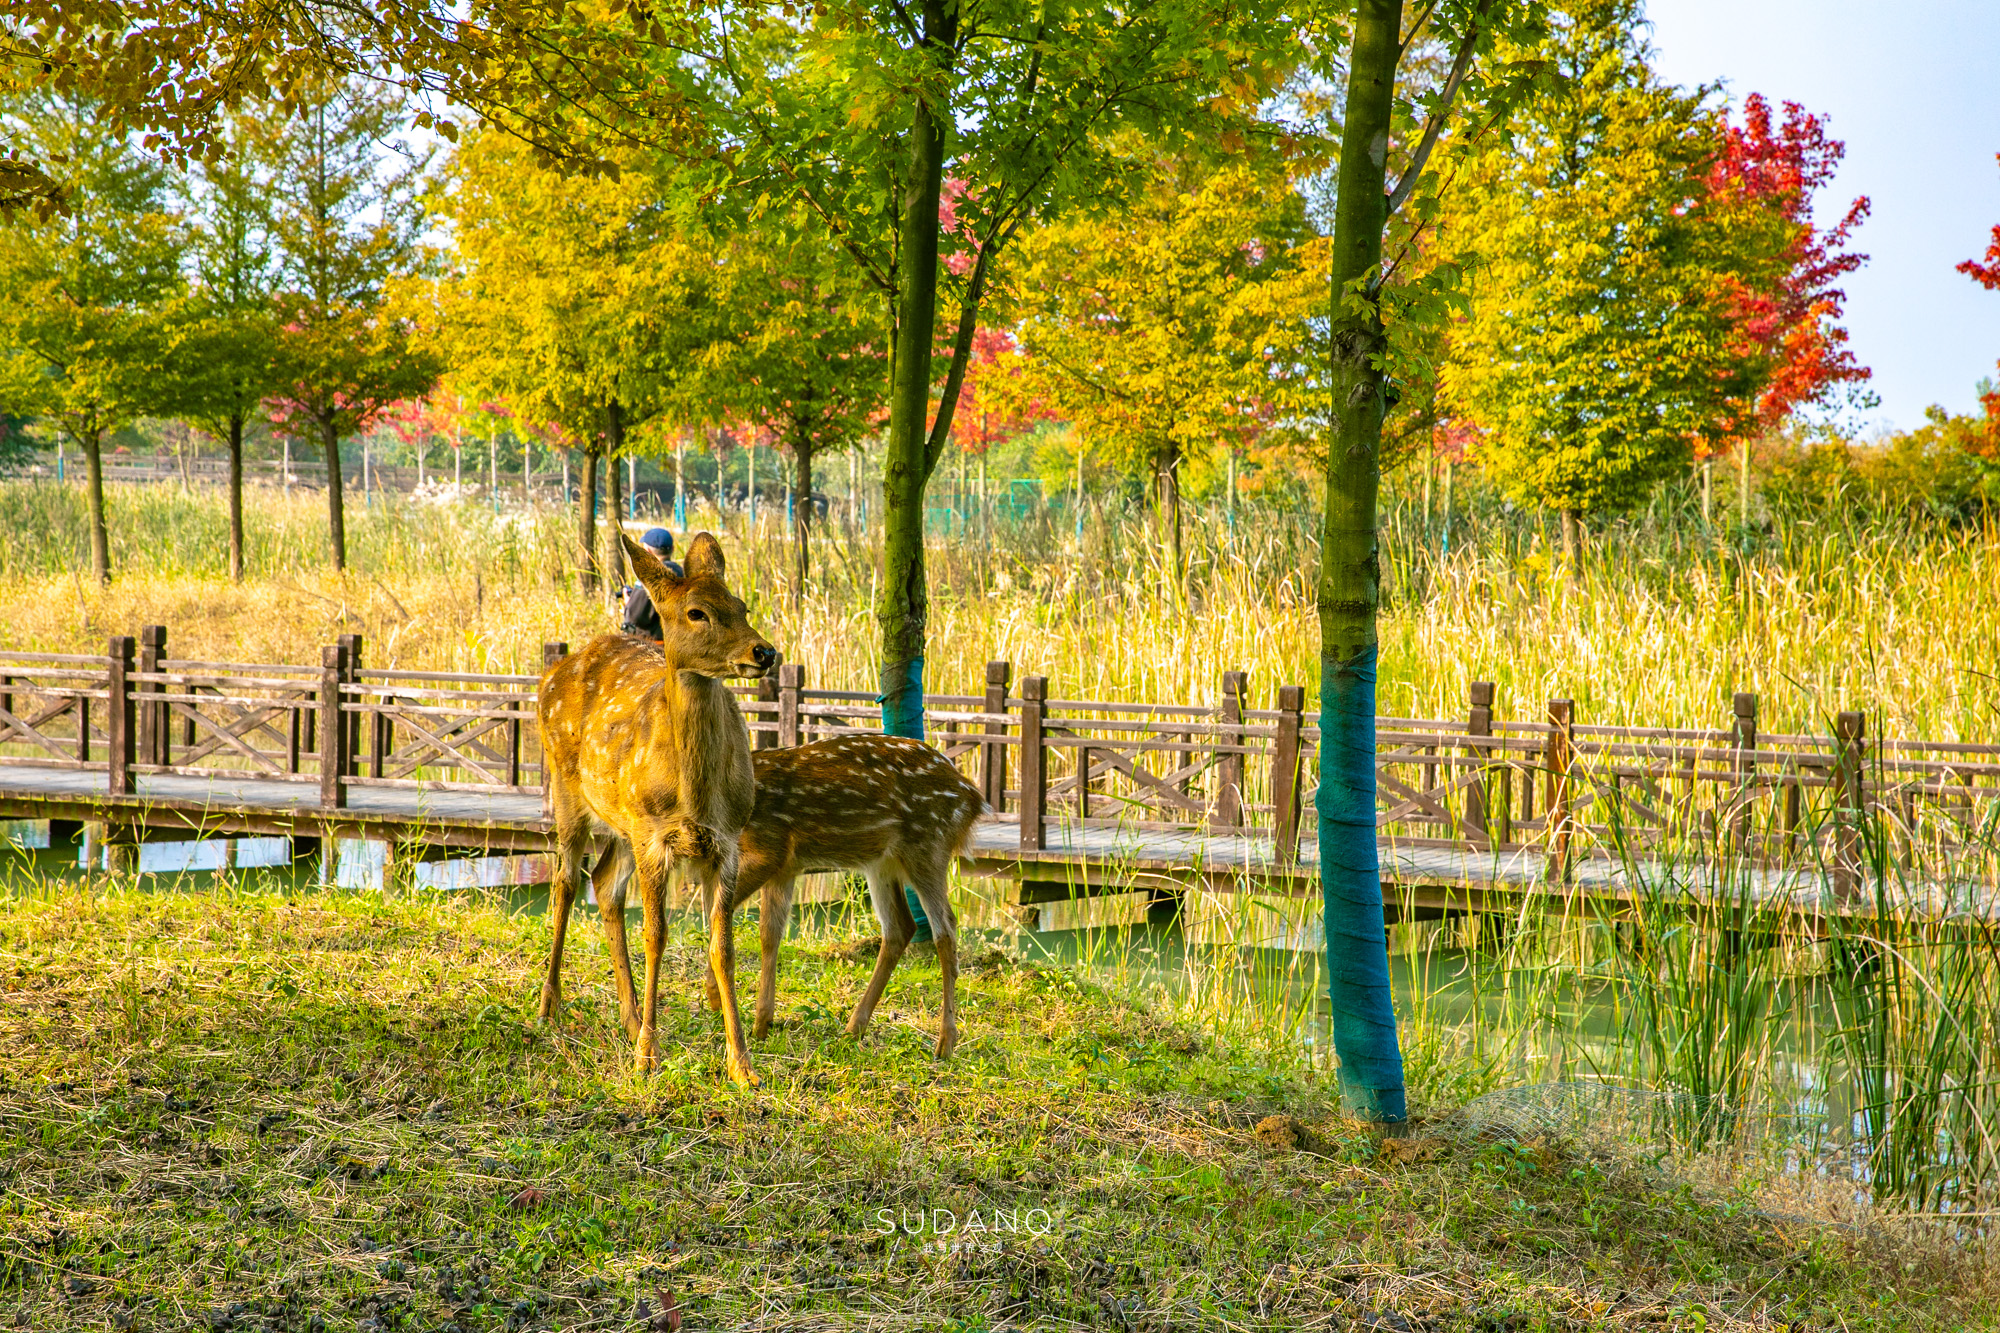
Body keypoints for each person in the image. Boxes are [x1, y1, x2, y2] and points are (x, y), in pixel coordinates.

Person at [620, 529, 683, 639]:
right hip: (674, 640)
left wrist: (628, 604)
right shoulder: (682, 573)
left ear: (647, 551)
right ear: (672, 549)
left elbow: (636, 616)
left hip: (651, 643)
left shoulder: (650, 576)